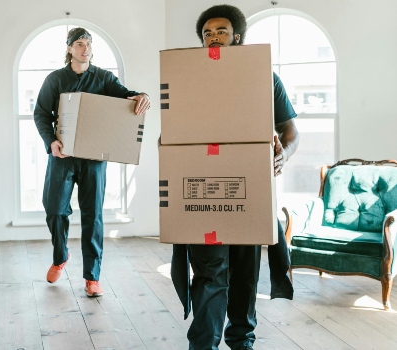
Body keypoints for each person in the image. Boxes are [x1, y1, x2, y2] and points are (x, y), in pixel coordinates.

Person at [169, 4, 300, 350]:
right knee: (210, 274)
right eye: (207, 33)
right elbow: (173, 132)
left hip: (248, 192)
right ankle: (204, 345)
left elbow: (290, 130)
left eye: (221, 31)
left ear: (237, 36)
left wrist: (283, 153)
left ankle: (242, 340)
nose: (213, 37)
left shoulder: (264, 76)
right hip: (202, 192)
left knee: (244, 275)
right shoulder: (188, 78)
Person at [33, 27, 150, 297]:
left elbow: (125, 96)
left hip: (94, 158)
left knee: (92, 215)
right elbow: (40, 113)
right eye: (79, 44)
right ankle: (61, 256)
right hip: (62, 156)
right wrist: (51, 142)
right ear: (69, 49)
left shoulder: (104, 77)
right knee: (54, 209)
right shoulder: (55, 79)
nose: (85, 48)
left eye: (88, 44)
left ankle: (92, 277)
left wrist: (141, 96)